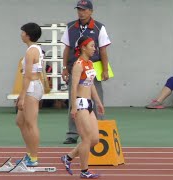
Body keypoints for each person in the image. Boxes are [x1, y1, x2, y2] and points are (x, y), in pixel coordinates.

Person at [61, 0, 111, 144]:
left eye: (83, 10)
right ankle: (72, 133)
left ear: (91, 11)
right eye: (79, 9)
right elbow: (66, 49)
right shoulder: (70, 27)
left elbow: (103, 50)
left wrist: (105, 69)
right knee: (74, 99)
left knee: (96, 99)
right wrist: (64, 67)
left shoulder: (99, 27)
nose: (81, 12)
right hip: (75, 68)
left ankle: (100, 130)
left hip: (92, 67)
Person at [60, 36, 103, 178]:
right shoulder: (78, 65)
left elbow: (91, 85)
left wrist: (98, 102)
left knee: (95, 139)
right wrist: (73, 107)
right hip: (80, 103)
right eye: (92, 46)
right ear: (83, 47)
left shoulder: (90, 63)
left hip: (89, 104)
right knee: (86, 139)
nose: (94, 48)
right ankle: (84, 171)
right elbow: (73, 87)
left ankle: (69, 156)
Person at [16, 22, 43, 167]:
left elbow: (27, 76)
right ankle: (29, 154)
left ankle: (33, 157)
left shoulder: (30, 51)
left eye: (22, 32)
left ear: (28, 35)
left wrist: (21, 96)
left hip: (31, 88)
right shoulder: (36, 49)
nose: (21, 34)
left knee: (31, 124)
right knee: (20, 122)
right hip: (34, 86)